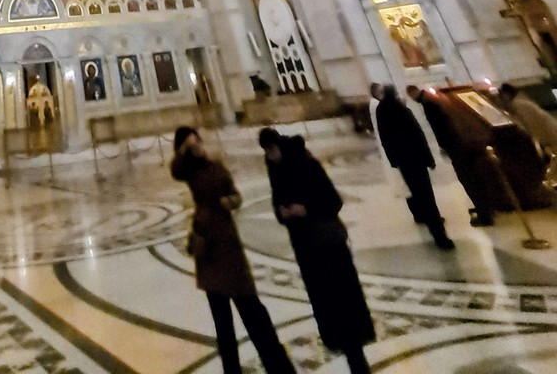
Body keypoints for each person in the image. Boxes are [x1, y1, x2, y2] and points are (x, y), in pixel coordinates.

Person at [171, 127, 295, 374]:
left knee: (253, 311)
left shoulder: (216, 165)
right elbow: (176, 170)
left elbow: (234, 193)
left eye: (196, 140)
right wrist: (184, 152)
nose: (196, 145)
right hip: (208, 246)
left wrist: (231, 201)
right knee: (223, 323)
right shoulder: (189, 170)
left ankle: (278, 366)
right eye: (189, 144)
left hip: (228, 244)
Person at [259, 128, 374, 374]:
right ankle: (342, 345)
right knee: (326, 302)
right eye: (266, 152)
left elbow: (334, 201)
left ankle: (357, 359)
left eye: (271, 149)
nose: (270, 155)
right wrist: (282, 213)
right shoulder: (276, 170)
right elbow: (276, 204)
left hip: (328, 246)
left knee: (343, 300)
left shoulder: (306, 164)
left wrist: (306, 210)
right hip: (306, 249)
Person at [375, 86, 455, 249]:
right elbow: (417, 133)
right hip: (416, 158)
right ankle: (439, 234)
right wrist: (428, 158)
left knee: (418, 194)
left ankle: (430, 223)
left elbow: (385, 138)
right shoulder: (401, 109)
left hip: (404, 160)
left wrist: (393, 160)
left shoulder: (381, 110)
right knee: (427, 195)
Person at [407, 85, 494, 226]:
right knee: (474, 178)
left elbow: (440, 127)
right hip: (464, 142)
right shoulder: (436, 99)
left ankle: (484, 214)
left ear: (413, 93)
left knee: (468, 179)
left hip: (456, 145)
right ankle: (485, 208)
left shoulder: (429, 104)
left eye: (411, 96)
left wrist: (443, 145)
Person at [499, 83, 557, 159]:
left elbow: (528, 129)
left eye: (502, 97)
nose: (501, 100)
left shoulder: (518, 105)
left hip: (551, 137)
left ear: (506, 95)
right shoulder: (519, 105)